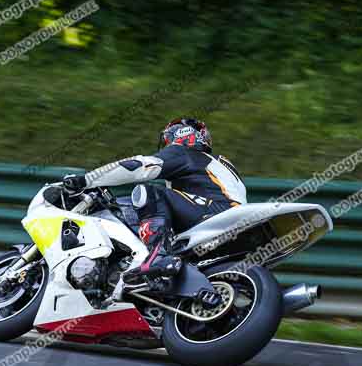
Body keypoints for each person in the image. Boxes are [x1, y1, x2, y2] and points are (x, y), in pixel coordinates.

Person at [62, 117, 246, 284]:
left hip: (214, 214)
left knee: (149, 193)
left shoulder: (183, 153)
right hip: (227, 219)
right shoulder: (216, 163)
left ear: (180, 135)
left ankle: (157, 255)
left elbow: (138, 166)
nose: (166, 144)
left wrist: (87, 180)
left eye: (168, 139)